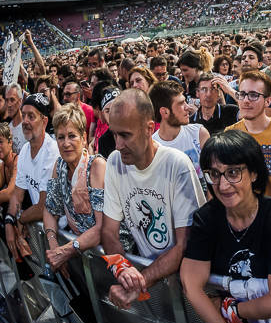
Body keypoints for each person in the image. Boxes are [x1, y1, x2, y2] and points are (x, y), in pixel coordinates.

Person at [181, 130, 271, 323]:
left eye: (233, 172)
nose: (223, 185)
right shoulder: (206, 218)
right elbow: (191, 285)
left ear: (254, 173)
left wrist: (231, 308)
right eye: (214, 174)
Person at [101, 89, 206, 309]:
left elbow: (183, 245)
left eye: (126, 135)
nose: (118, 144)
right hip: (154, 283)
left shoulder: (177, 165)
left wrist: (138, 282)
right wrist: (122, 269)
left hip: (190, 288)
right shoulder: (114, 162)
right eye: (114, 134)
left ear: (150, 128)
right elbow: (109, 231)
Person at [43, 104, 133, 274]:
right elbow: (50, 210)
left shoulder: (97, 166)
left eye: (72, 136)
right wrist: (54, 246)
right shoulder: (60, 165)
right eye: (61, 137)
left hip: (114, 256)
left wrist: (66, 250)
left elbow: (103, 227)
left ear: (84, 138)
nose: (66, 143)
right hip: (83, 253)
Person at [226, 70, 271, 205]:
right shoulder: (230, 134)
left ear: (268, 101)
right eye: (242, 94)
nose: (246, 100)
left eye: (253, 95)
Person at [4, 93, 59, 261]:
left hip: (60, 234)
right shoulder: (26, 151)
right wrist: (8, 221)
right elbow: (17, 195)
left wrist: (21, 219)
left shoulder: (52, 151)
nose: (25, 121)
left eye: (31, 116)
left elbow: (43, 206)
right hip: (42, 231)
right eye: (24, 115)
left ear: (44, 122)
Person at [150, 80, 211, 183]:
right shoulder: (152, 147)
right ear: (165, 112)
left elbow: (212, 176)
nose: (188, 107)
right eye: (181, 103)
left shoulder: (199, 133)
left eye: (185, 102)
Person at [0, 123, 18, 216]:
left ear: (10, 142)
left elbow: (9, 193)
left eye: (0, 142)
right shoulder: (3, 166)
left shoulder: (18, 161)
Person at [4, 84, 25, 154]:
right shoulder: (7, 129)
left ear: (20, 101)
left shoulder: (28, 126)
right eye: (7, 100)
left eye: (12, 100)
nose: (9, 104)